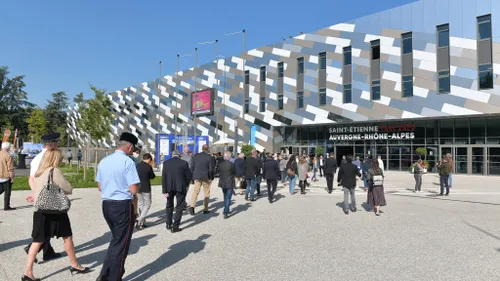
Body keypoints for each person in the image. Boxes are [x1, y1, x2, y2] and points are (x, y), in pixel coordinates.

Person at [23, 148, 90, 281]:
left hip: (40, 210)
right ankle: (74, 264)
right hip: (55, 210)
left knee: (37, 240)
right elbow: (68, 189)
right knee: (67, 237)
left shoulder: (39, 172)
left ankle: (28, 272)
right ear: (55, 158)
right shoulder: (55, 171)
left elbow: (36, 189)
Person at [95, 132, 141, 281]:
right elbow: (134, 189)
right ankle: (114, 277)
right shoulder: (128, 162)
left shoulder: (104, 161)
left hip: (106, 204)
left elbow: (100, 186)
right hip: (122, 205)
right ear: (130, 147)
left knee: (116, 240)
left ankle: (104, 275)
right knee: (122, 244)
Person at [24, 132, 62, 262]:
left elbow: (31, 178)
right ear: (52, 144)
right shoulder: (47, 158)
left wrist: (35, 193)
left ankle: (47, 251)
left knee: (46, 225)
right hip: (46, 195)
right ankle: (31, 248)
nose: (57, 144)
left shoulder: (37, 158)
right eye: (56, 142)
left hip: (41, 194)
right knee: (48, 226)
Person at [162, 150, 192, 232]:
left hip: (169, 187)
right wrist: (185, 184)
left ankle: (168, 223)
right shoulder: (184, 163)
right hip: (180, 187)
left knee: (169, 205)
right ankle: (175, 226)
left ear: (172, 155)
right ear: (180, 155)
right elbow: (189, 176)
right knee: (179, 206)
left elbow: (164, 177)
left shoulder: (166, 163)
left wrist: (164, 190)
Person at [189, 144, 215, 215]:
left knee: (195, 192)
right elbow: (211, 169)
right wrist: (211, 177)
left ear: (202, 148)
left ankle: (192, 207)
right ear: (208, 149)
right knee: (206, 192)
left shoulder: (195, 156)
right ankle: (205, 209)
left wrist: (191, 177)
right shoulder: (209, 157)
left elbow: (192, 167)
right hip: (206, 177)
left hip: (197, 176)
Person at [135, 153, 156, 230]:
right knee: (147, 204)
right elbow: (152, 176)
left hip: (138, 187)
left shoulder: (137, 165)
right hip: (146, 187)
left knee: (141, 204)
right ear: (149, 159)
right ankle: (139, 219)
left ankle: (142, 223)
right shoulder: (148, 167)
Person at [217, 151, 236, 218]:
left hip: (222, 182)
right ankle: (226, 211)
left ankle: (226, 209)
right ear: (229, 157)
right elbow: (235, 172)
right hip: (230, 182)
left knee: (225, 196)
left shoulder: (220, 164)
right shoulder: (232, 164)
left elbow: (217, 171)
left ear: (225, 157)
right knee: (228, 197)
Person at [0, 142, 15, 210]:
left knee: (1, 189)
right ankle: (6, 206)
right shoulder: (8, 155)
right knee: (7, 191)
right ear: (8, 148)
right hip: (6, 176)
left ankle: (6, 206)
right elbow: (10, 168)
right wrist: (11, 177)